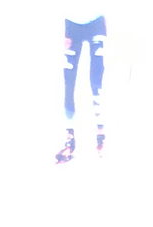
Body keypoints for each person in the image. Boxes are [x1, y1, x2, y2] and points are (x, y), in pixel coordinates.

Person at [56, 7, 106, 163]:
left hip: (95, 20)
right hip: (72, 22)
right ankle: (69, 137)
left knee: (96, 81)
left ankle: (101, 135)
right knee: (69, 80)